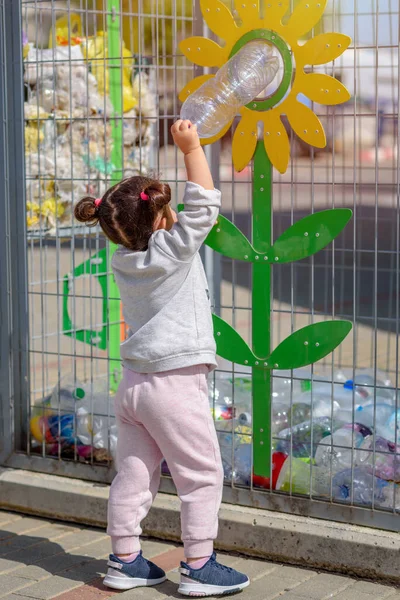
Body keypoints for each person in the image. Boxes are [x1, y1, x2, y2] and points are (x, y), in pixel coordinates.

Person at [74, 120, 249, 597]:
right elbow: (206, 203)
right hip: (174, 384)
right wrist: (191, 147)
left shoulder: (123, 260)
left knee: (133, 474)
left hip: (133, 385)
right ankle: (199, 564)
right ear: (157, 220)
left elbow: (190, 211)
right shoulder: (171, 252)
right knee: (200, 473)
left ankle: (125, 559)